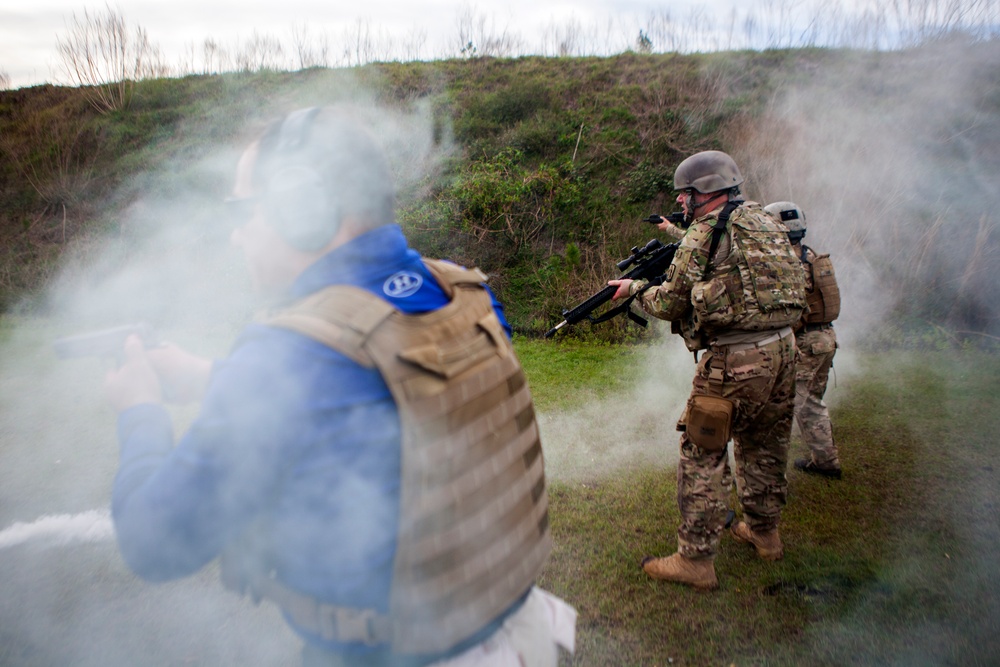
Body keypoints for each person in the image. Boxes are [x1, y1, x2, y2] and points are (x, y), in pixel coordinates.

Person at [103, 106, 576, 666]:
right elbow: (380, 392)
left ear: (303, 207)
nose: (236, 234)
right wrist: (211, 377)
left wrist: (140, 410)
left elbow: (154, 542)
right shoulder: (461, 291)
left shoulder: (286, 358)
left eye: (244, 210)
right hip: (514, 638)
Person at [608, 150, 807, 589]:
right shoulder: (762, 220)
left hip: (735, 361)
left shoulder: (704, 233)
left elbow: (670, 302)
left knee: (703, 451)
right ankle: (764, 533)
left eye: (684, 196)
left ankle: (696, 559)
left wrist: (635, 289)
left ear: (703, 193)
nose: (681, 203)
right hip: (783, 351)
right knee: (765, 444)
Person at [764, 201, 842, 479]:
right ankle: (822, 457)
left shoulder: (790, 263)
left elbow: (794, 307)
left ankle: (825, 462)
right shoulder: (811, 256)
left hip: (808, 342)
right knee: (812, 401)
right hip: (826, 338)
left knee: (804, 404)